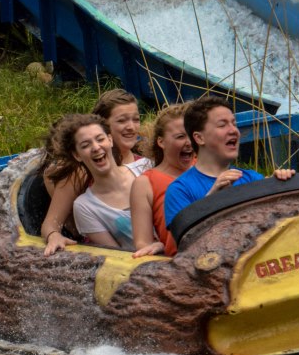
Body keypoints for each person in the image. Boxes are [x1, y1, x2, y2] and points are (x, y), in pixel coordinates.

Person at [41, 88, 148, 255]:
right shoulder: (80, 171)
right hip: (104, 247)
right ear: (104, 125)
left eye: (136, 119)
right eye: (122, 121)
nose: (131, 127)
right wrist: (54, 235)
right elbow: (52, 222)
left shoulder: (143, 163)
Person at [164, 95, 295, 228]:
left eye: (234, 124)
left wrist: (278, 188)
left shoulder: (252, 178)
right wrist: (213, 198)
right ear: (199, 138)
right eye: (222, 125)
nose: (234, 130)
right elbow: (185, 238)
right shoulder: (179, 190)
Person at [48, 113, 136, 250]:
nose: (96, 147)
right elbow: (116, 256)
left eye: (100, 139)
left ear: (110, 140)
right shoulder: (84, 205)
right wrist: (53, 235)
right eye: (85, 145)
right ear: (77, 155)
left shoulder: (144, 168)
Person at [130, 104, 194, 258]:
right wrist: (157, 246)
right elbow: (142, 243)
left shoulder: (209, 166)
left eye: (192, 135)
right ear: (161, 142)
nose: (189, 142)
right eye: (180, 136)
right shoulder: (145, 183)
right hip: (181, 261)